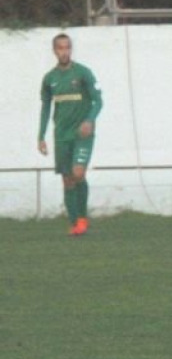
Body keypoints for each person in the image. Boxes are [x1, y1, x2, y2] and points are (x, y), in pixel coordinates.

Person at [37, 34, 103, 236]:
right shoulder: (50, 78)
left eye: (67, 47)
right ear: (54, 51)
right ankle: (75, 224)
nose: (64, 51)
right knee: (67, 180)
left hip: (82, 134)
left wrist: (89, 120)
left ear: (71, 49)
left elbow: (98, 101)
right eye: (60, 48)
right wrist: (41, 136)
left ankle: (82, 219)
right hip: (61, 136)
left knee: (78, 173)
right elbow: (46, 108)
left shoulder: (83, 73)